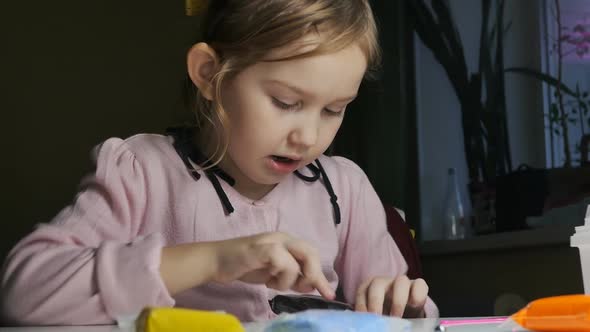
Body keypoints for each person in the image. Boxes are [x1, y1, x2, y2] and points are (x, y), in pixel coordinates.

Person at [0, 0, 439, 325]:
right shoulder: (141, 170)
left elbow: (410, 313)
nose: (308, 138)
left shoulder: (346, 187)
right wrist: (213, 259)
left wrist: (404, 305)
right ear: (210, 74)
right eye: (285, 102)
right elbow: (26, 294)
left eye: (333, 109)